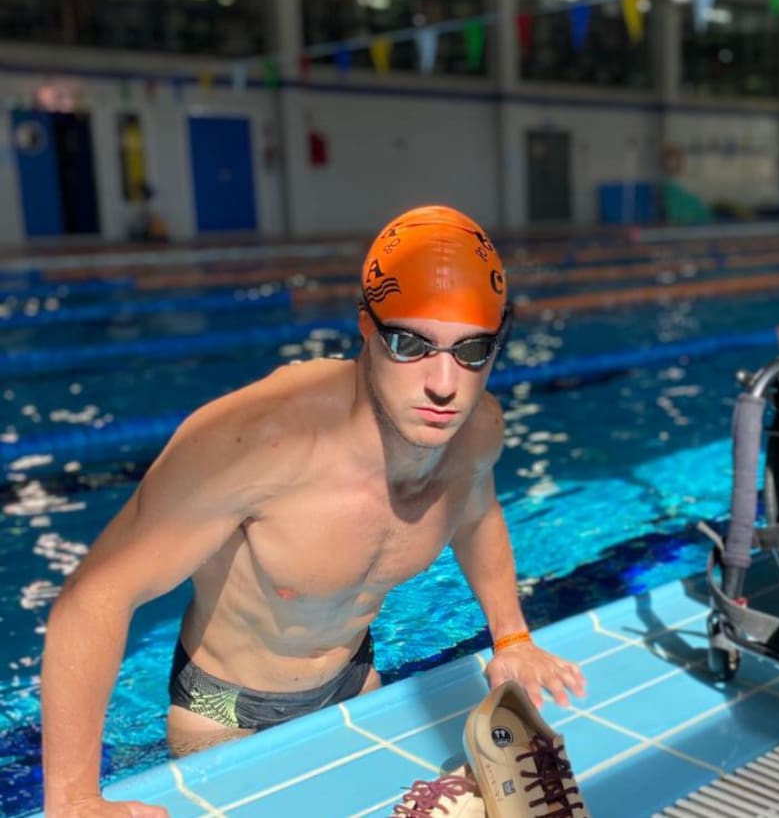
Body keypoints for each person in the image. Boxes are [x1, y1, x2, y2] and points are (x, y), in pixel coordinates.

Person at [40, 206, 586, 817]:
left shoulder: (476, 431)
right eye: (409, 344)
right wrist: (73, 799)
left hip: (355, 676)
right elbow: (94, 597)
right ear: (366, 327)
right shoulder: (252, 441)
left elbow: (477, 515)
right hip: (224, 711)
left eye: (473, 350)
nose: (443, 383)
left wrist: (512, 637)